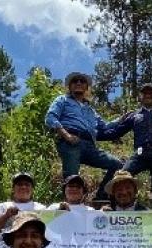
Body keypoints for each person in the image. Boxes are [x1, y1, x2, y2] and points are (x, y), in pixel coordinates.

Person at [45, 72, 123, 200]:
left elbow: (104, 126)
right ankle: (67, 206)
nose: (79, 83)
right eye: (75, 81)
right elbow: (50, 117)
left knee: (117, 164)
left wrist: (121, 119)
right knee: (71, 179)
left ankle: (101, 196)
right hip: (71, 142)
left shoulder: (90, 110)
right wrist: (66, 135)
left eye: (82, 81)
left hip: (90, 145)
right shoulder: (62, 100)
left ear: (86, 87)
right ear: (69, 86)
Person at [0, 172, 46, 248]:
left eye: (27, 184)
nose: (23, 187)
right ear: (13, 189)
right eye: (19, 184)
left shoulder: (42, 208)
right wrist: (5, 216)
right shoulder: (3, 206)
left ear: (32, 189)